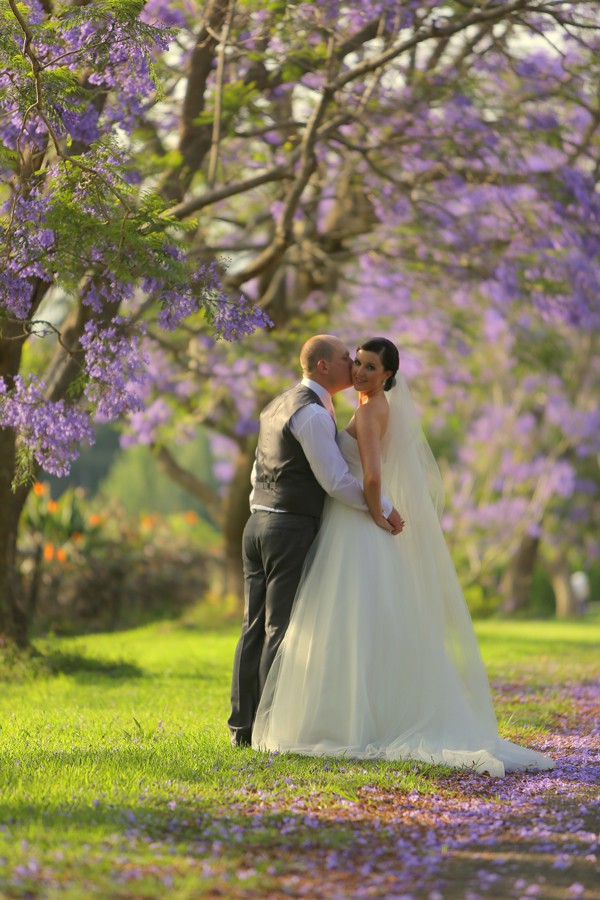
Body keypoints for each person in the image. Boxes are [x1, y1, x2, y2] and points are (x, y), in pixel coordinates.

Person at [252, 337, 555, 776]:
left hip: (359, 524)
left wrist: (381, 514)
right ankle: (347, 714)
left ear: (388, 376)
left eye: (370, 368)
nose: (359, 372)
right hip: (350, 522)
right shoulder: (364, 407)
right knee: (354, 622)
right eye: (357, 363)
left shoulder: (373, 411)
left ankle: (354, 721)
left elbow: (372, 478)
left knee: (349, 619)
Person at [228, 335, 405, 748]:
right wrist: (382, 509)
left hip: (257, 523)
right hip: (287, 528)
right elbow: (336, 481)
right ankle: (268, 728)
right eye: (347, 359)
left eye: (361, 362)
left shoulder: (278, 404)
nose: (354, 366)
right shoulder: (312, 415)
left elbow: (259, 472)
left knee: (253, 627)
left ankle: (242, 727)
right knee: (279, 629)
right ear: (324, 367)